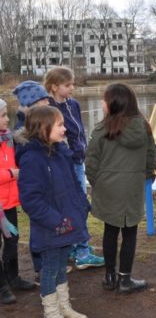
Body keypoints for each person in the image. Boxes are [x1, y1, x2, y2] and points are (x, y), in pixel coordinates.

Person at [16, 106, 89, 318]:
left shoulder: (60, 152)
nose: (65, 128)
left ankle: (63, 306)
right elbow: (31, 200)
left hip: (66, 222)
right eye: (60, 125)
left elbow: (75, 185)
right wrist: (56, 220)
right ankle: (51, 314)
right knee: (49, 269)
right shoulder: (32, 159)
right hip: (51, 226)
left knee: (60, 267)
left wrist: (81, 206)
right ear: (43, 128)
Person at [85, 83, 156, 293]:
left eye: (104, 99)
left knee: (110, 230)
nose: (101, 103)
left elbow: (91, 161)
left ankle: (109, 276)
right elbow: (151, 158)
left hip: (107, 188)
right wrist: (145, 177)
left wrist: (97, 182)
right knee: (130, 233)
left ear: (113, 103)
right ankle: (125, 279)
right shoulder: (144, 127)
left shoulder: (101, 129)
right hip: (132, 187)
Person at [43, 66, 104, 270]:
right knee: (72, 205)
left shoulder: (74, 104)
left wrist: (84, 151)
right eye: (67, 84)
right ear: (54, 86)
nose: (72, 87)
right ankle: (80, 251)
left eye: (72, 83)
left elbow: (79, 132)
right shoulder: (47, 108)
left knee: (78, 203)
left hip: (78, 160)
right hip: (62, 164)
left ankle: (77, 247)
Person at [12, 80, 52, 284]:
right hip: (34, 188)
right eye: (43, 99)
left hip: (44, 184)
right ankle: (40, 268)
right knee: (38, 227)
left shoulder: (40, 123)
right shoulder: (22, 131)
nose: (48, 102)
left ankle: (47, 265)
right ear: (31, 104)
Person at [0, 98, 36, 305]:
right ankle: (2, 286)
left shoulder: (8, 139)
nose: (7, 119)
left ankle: (13, 277)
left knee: (12, 240)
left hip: (9, 202)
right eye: (3, 116)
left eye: (7, 114)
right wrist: (11, 173)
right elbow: (11, 171)